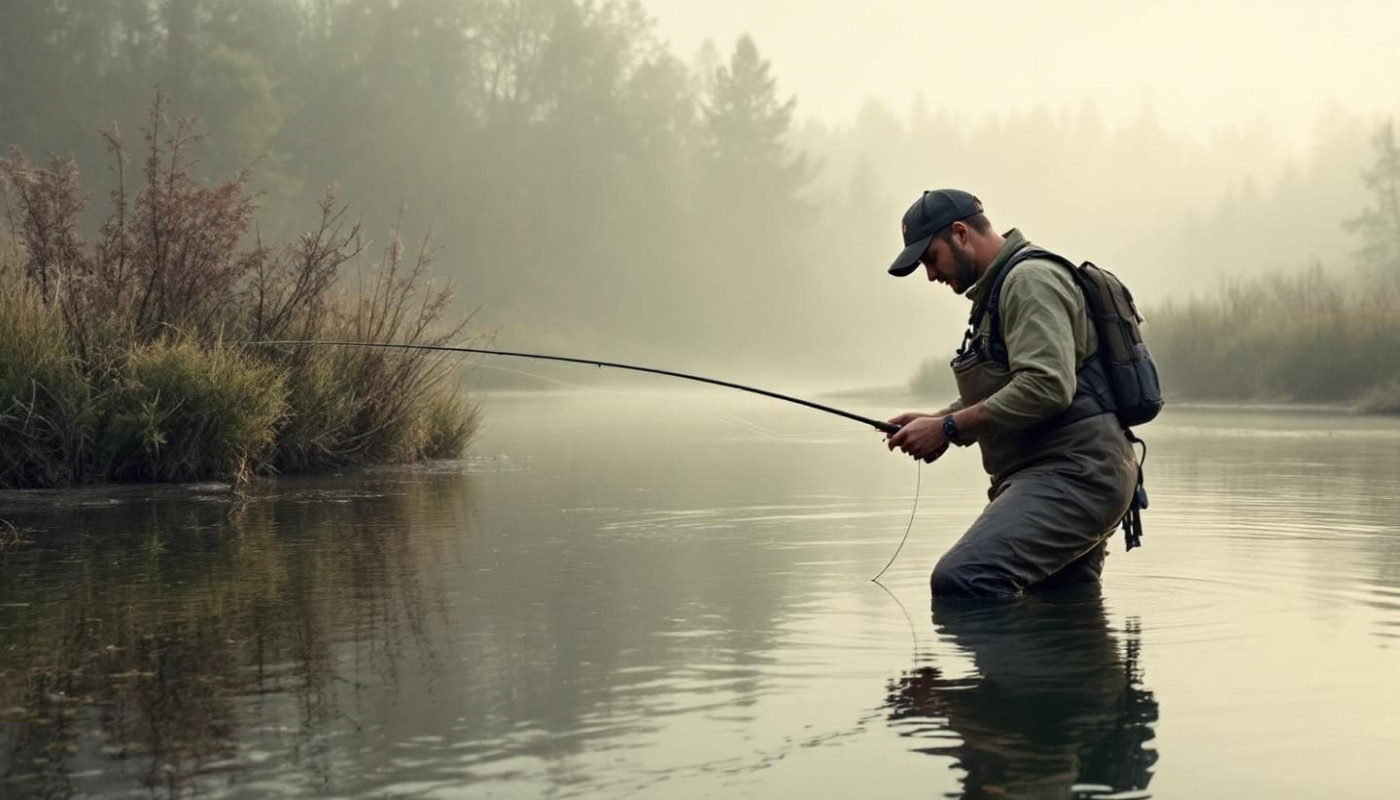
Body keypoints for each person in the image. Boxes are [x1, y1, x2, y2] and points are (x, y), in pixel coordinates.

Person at [884, 189, 1139, 597]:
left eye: (931, 258)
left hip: (1076, 473)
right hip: (1061, 475)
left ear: (960, 233)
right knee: (1059, 608)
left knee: (962, 578)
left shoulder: (1028, 281)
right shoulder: (1000, 289)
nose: (930, 275)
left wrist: (948, 428)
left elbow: (1047, 386)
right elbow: (1015, 386)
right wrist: (937, 420)